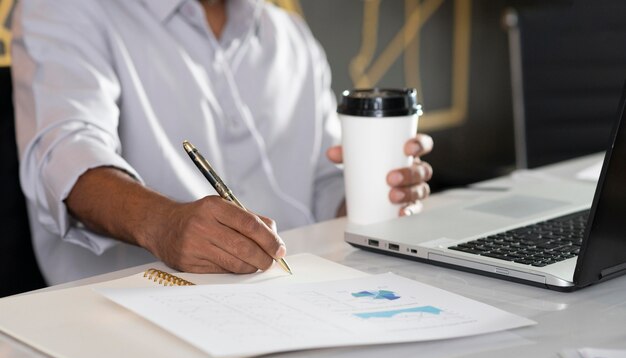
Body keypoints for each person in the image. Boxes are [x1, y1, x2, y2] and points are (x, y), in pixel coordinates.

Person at [11, 0, 433, 286]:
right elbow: (65, 155)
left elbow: (325, 186)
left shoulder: (289, 36)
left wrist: (381, 193)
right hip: (134, 321)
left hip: (298, 296)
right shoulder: (65, 9)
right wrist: (163, 222)